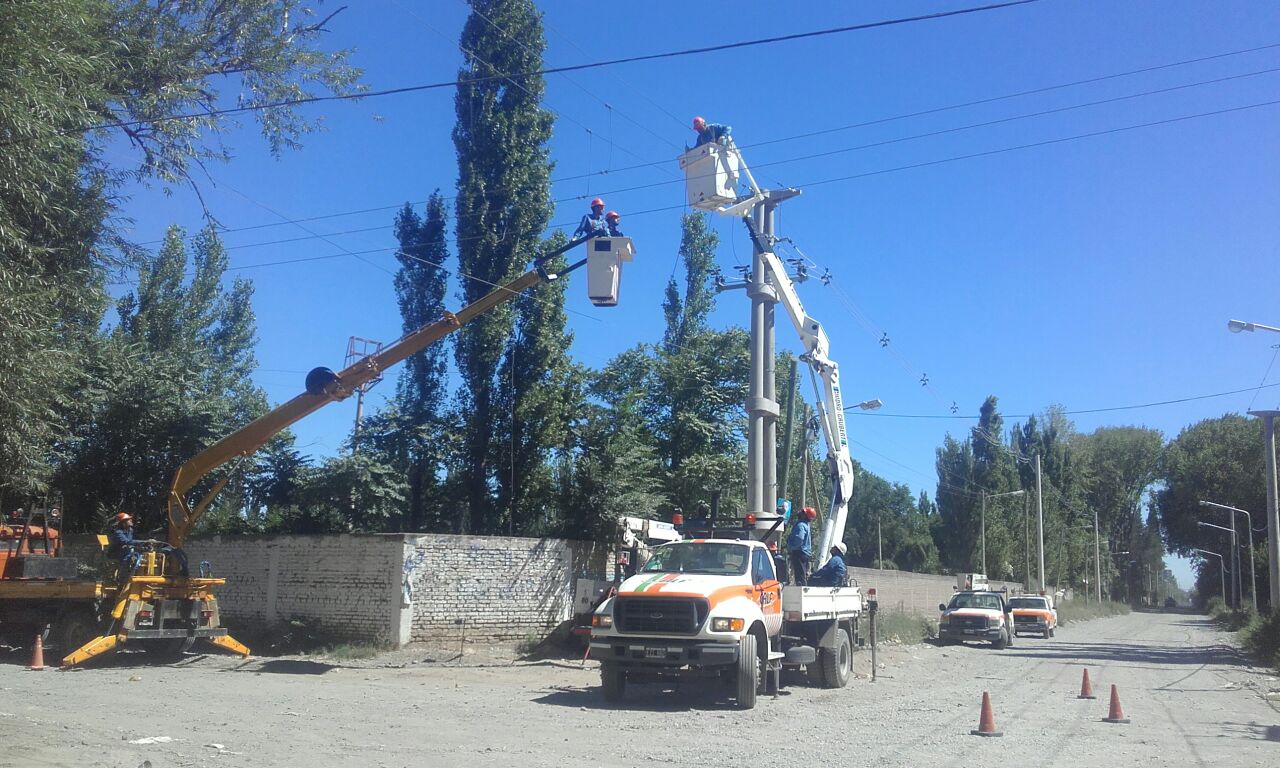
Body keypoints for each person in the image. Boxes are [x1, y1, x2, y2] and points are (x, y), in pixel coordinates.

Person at [787, 506, 815, 585]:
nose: (800, 513)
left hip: (799, 553)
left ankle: (801, 591)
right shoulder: (806, 525)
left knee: (800, 576)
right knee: (802, 574)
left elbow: (799, 538)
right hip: (804, 553)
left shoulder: (801, 525)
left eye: (803, 512)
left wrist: (792, 547)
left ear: (805, 515)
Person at [109, 512, 138, 581]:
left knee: (136, 556)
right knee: (127, 558)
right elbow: (126, 541)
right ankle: (122, 579)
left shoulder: (130, 530)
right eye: (128, 520)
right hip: (117, 553)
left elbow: (130, 542)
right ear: (123, 523)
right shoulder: (118, 532)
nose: (131, 521)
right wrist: (139, 542)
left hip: (126, 552)